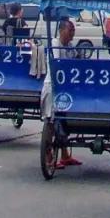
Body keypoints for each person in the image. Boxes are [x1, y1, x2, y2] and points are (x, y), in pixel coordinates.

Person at [41, 19, 83, 167]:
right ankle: (48, 156)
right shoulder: (55, 43)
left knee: (63, 121)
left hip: (67, 89)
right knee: (51, 122)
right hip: (52, 87)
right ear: (62, 30)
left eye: (73, 32)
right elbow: (58, 63)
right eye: (70, 31)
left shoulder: (70, 46)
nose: (72, 35)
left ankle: (65, 155)